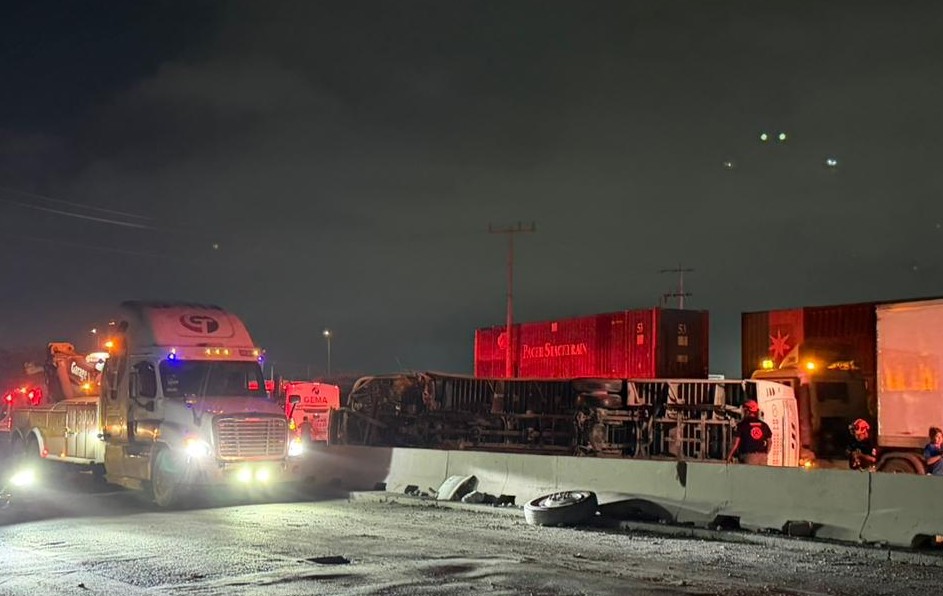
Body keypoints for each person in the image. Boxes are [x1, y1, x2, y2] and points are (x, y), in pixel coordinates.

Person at [727, 399, 772, 465]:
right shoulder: (764, 425)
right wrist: (765, 453)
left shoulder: (742, 425)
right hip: (763, 457)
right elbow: (769, 442)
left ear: (747, 411)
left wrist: (729, 456)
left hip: (748, 456)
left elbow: (735, 443)